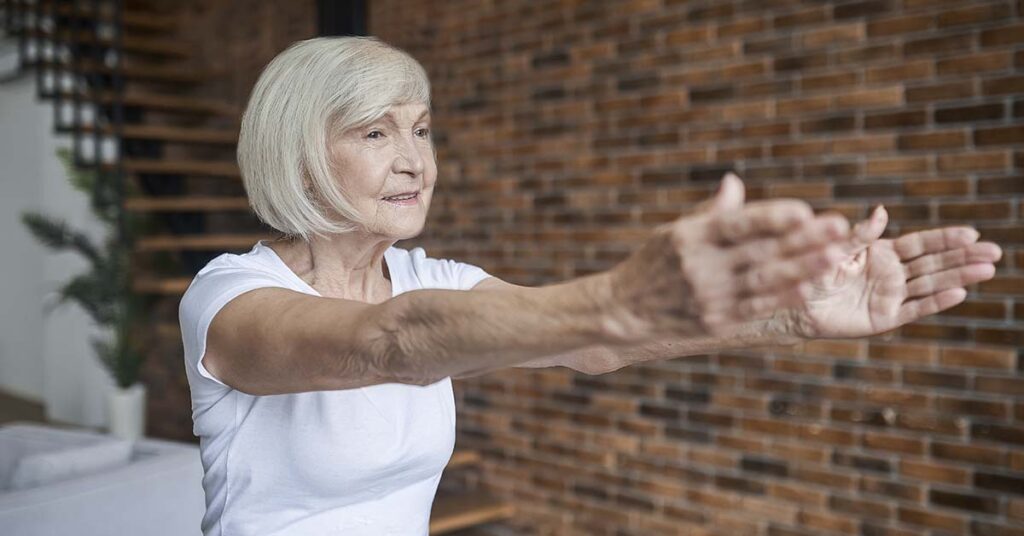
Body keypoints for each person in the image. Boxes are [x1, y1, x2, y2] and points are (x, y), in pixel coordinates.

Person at [178, 36, 1002, 536]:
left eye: (422, 129)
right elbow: (387, 343)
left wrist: (790, 319)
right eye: (375, 131)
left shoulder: (436, 278)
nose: (416, 160)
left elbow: (593, 346)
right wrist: (615, 291)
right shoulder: (227, 300)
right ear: (297, 155)